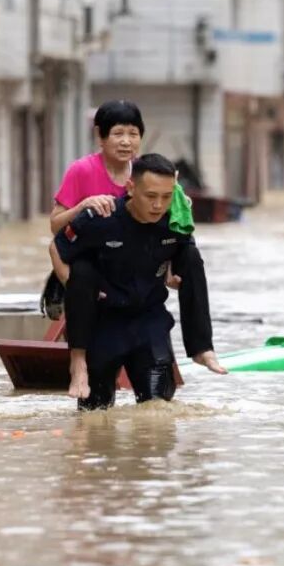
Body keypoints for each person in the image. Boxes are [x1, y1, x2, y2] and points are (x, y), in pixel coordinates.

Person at [53, 153, 227, 410]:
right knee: (93, 416)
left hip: (149, 320)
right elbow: (57, 248)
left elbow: (184, 261)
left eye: (166, 197)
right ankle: (78, 362)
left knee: (157, 414)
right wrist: (77, 286)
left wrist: (172, 274)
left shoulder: (175, 220)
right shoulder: (102, 218)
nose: (158, 205)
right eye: (151, 196)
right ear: (131, 187)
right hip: (104, 321)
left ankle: (202, 348)